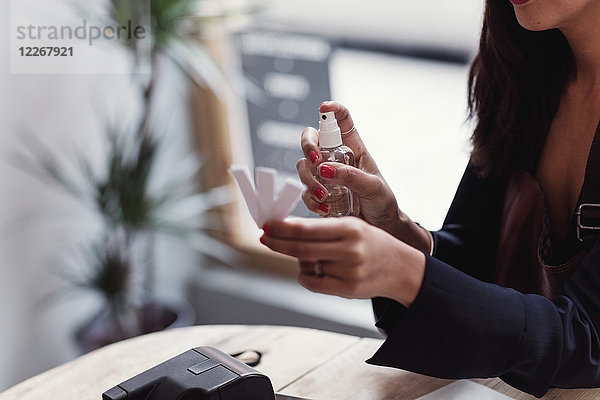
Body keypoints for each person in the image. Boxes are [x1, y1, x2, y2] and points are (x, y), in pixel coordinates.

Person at [259, 0, 600, 397]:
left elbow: (589, 339)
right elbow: (479, 264)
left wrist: (404, 272)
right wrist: (390, 226)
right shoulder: (525, 68)